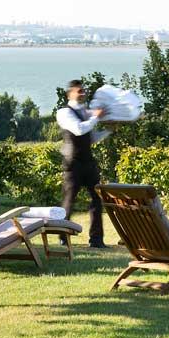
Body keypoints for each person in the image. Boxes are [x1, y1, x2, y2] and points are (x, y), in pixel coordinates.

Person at [56, 79, 109, 248]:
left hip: (88, 162)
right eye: (79, 91)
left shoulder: (86, 113)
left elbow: (91, 138)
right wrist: (96, 117)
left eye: (83, 91)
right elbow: (79, 129)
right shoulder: (64, 112)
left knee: (97, 200)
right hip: (73, 164)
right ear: (70, 94)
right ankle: (63, 238)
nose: (83, 93)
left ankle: (97, 240)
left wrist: (109, 130)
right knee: (69, 201)